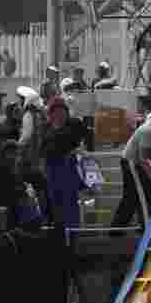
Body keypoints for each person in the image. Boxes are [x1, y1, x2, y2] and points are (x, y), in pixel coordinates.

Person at [112, 102, 151, 231]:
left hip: (134, 162)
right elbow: (143, 158)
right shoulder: (149, 130)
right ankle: (146, 228)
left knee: (132, 197)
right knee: (146, 194)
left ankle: (117, 230)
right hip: (132, 163)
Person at [42, 98, 88, 231]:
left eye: (62, 111)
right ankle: (59, 234)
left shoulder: (75, 123)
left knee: (70, 203)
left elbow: (85, 138)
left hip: (69, 167)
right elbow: (42, 149)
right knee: (55, 204)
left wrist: (79, 151)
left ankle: (73, 234)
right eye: (55, 111)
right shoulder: (45, 127)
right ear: (50, 113)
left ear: (66, 112)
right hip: (52, 169)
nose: (59, 114)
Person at [16, 86, 49, 223]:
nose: (19, 102)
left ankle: (30, 217)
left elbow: (26, 136)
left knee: (24, 188)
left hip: (29, 160)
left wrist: (16, 147)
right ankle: (45, 217)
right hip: (40, 160)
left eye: (21, 99)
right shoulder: (40, 115)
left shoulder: (29, 115)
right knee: (41, 189)